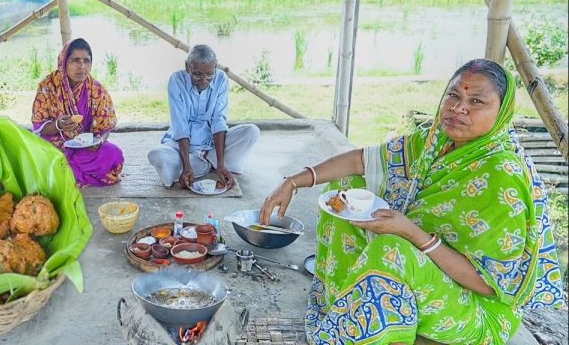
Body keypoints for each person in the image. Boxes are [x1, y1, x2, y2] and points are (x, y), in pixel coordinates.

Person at [260, 59, 565, 344]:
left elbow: (489, 285)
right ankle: (345, 301)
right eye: (453, 95)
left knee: (391, 248)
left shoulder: (503, 174)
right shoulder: (437, 141)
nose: (458, 108)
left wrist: (411, 233)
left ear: (502, 112)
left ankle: (367, 332)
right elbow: (361, 161)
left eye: (476, 102)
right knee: (345, 191)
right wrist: (293, 181)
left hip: (476, 310)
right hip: (430, 270)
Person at [148, 44, 260, 189]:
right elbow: (180, 125)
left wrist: (221, 163)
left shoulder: (221, 79)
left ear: (215, 66)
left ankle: (214, 163)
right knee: (156, 155)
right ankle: (198, 165)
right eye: (198, 74)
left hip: (213, 146)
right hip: (184, 150)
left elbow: (219, 120)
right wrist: (187, 165)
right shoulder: (176, 80)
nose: (204, 80)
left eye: (210, 74)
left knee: (251, 131)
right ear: (187, 67)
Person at [31, 38, 124, 187]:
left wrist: (99, 141)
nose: (82, 66)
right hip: (56, 146)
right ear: (64, 62)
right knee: (40, 155)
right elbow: (39, 127)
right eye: (75, 60)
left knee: (113, 153)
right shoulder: (48, 86)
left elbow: (105, 127)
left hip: (85, 148)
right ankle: (68, 172)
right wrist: (58, 125)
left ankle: (65, 173)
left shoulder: (97, 90)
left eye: (86, 61)